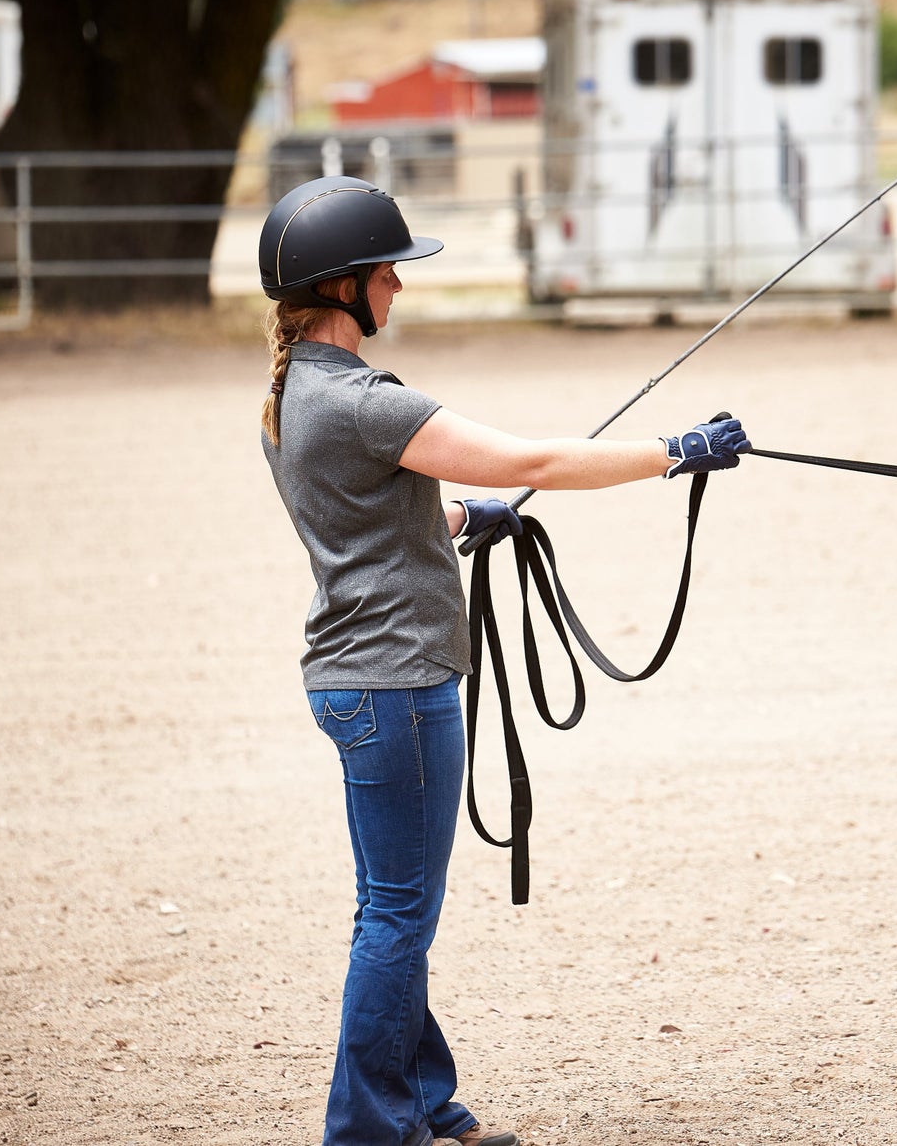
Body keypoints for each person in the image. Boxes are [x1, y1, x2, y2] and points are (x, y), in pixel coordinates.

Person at [257, 175, 750, 1146]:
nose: (398, 286)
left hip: (358, 677)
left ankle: (421, 1098)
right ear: (348, 285)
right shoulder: (366, 403)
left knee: (390, 910)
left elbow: (364, 526)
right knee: (398, 918)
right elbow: (538, 462)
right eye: (389, 271)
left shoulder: (289, 397)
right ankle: (367, 1128)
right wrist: (673, 450)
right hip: (398, 686)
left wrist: (453, 518)